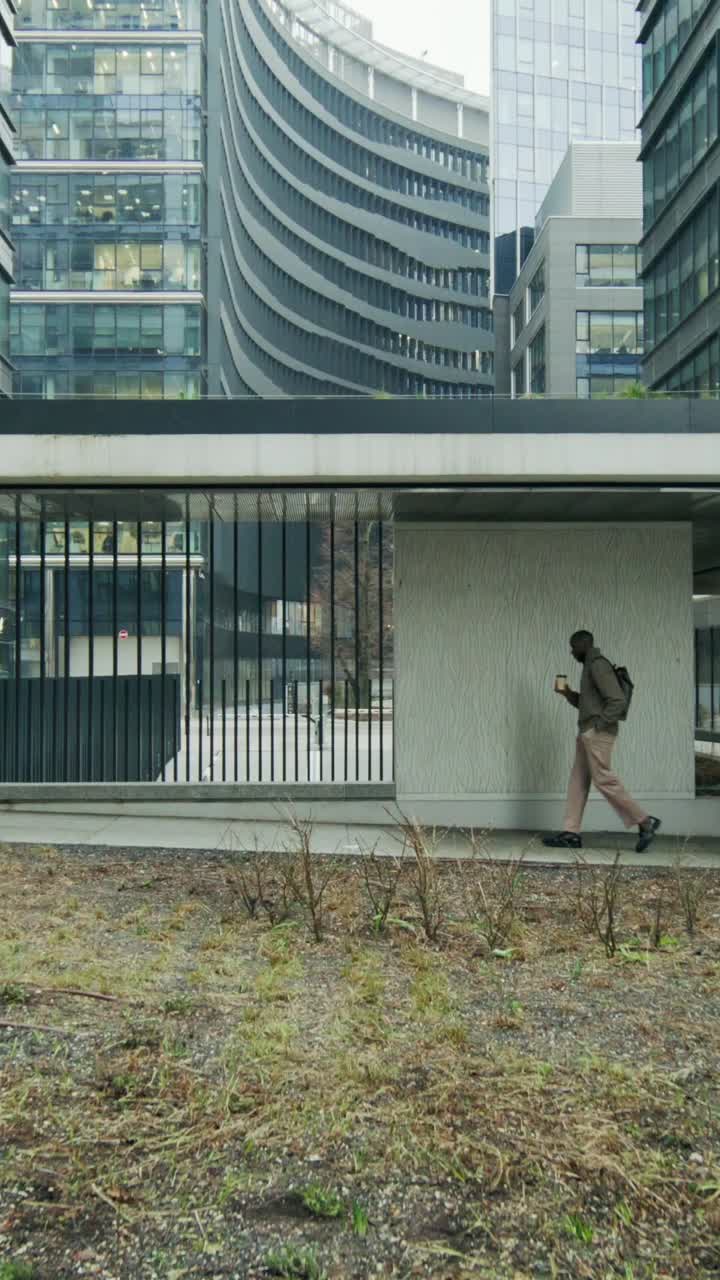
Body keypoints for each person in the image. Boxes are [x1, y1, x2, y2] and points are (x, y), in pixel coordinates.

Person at [543, 630, 661, 852]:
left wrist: (597, 726)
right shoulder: (590, 666)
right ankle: (571, 833)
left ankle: (645, 821)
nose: (571, 652)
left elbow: (617, 701)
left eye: (573, 647)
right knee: (578, 781)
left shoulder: (598, 665)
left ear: (583, 645)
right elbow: (589, 705)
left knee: (603, 779)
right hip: (587, 731)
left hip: (596, 732)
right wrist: (568, 693)